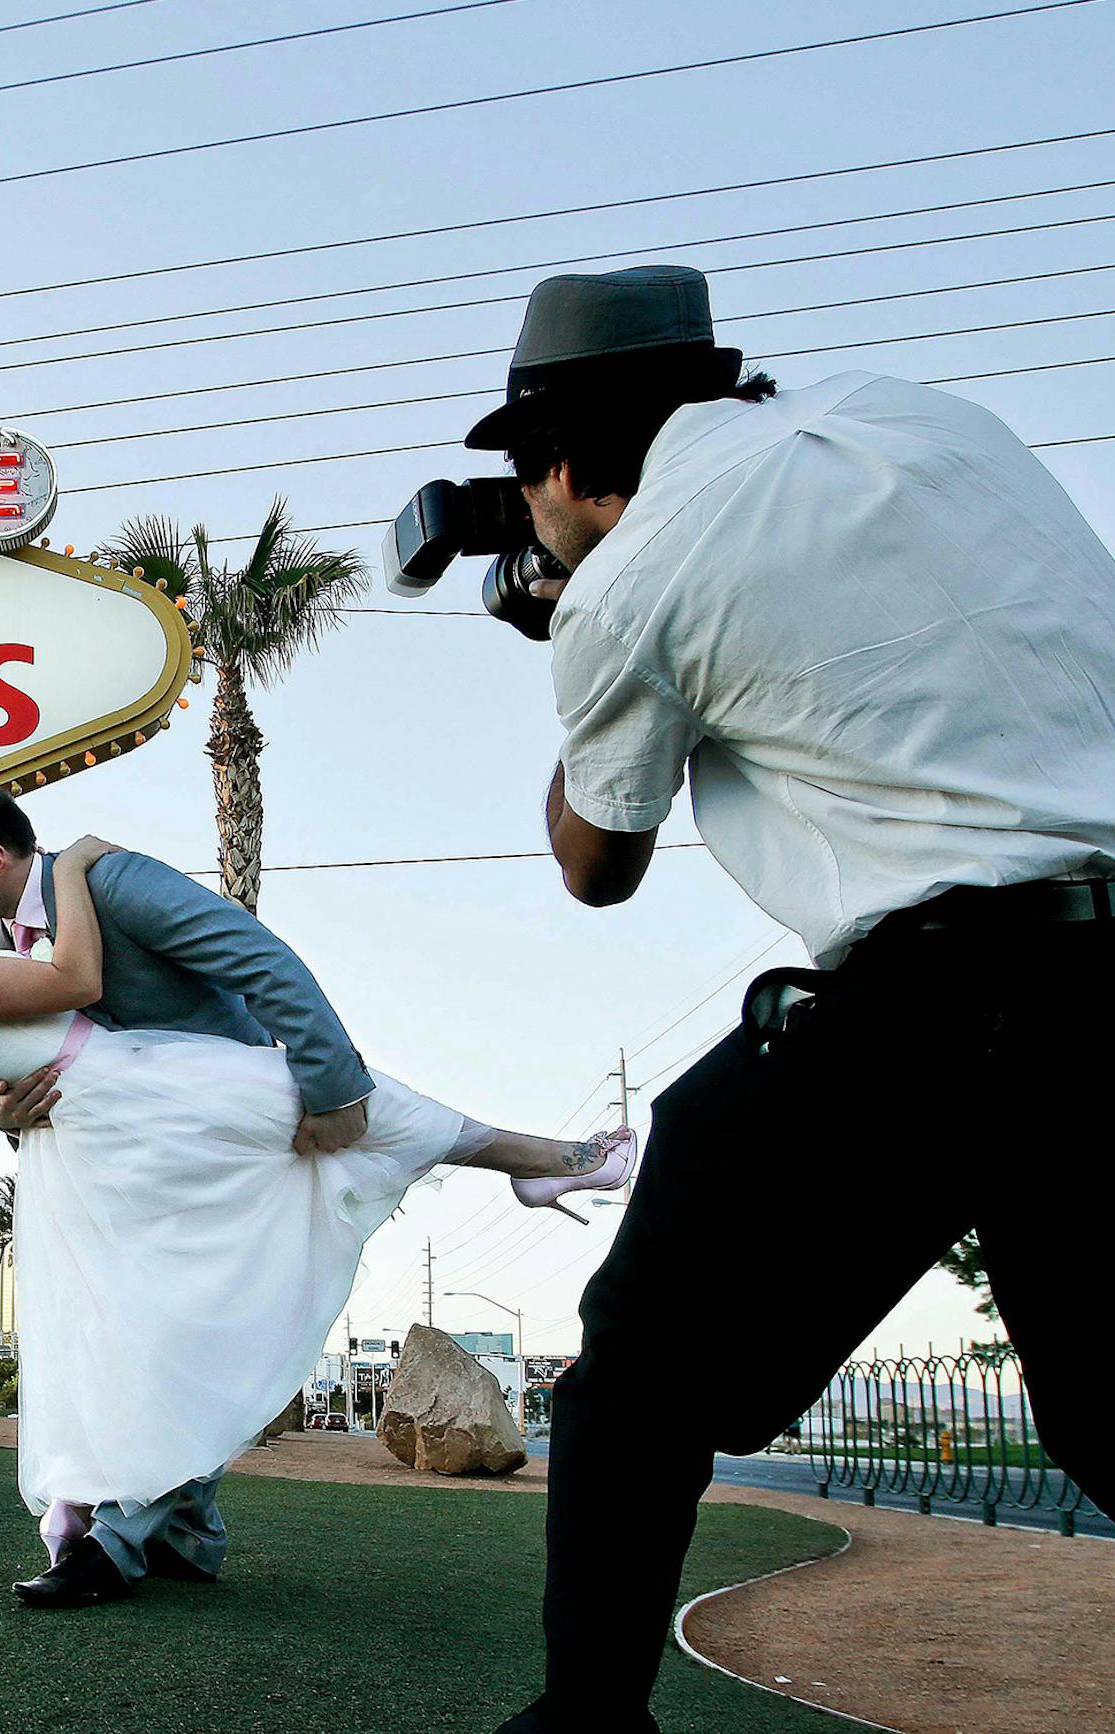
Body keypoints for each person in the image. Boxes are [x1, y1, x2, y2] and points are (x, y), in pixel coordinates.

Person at [461, 264, 1115, 1732]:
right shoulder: (926, 420)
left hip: (961, 993)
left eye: (525, 481)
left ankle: (587, 1721)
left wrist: (575, 627)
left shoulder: (626, 581)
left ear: (558, 460)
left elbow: (597, 861)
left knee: (634, 1380)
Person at [0, 803, 632, 1609]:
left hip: (184, 1098)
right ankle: (184, 1530)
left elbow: (260, 963)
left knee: (360, 1127)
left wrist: (331, 1084)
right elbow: (46, 1012)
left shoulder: (103, 891)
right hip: (111, 1138)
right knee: (150, 1331)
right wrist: (4, 1104)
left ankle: (552, 1160)